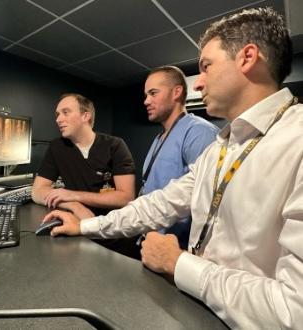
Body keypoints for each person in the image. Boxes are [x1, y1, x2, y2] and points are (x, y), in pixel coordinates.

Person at [43, 7, 303, 329]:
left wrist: (180, 263)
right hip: (195, 306)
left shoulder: (297, 140)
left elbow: (294, 312)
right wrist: (83, 228)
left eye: (206, 66)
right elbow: (158, 204)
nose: (198, 83)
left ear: (247, 57)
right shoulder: (221, 146)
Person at [142, 66, 218, 248]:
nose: (146, 101)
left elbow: (208, 200)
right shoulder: (159, 138)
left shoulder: (199, 132)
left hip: (176, 251)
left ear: (176, 92)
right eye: (145, 95)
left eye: (153, 93)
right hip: (149, 242)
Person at [32, 93, 136, 216]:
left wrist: (74, 195)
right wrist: (74, 205)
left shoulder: (114, 145)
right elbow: (37, 191)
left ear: (85, 116)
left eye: (65, 112)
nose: (58, 119)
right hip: (76, 222)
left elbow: (126, 198)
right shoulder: (57, 147)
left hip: (111, 225)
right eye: (58, 114)